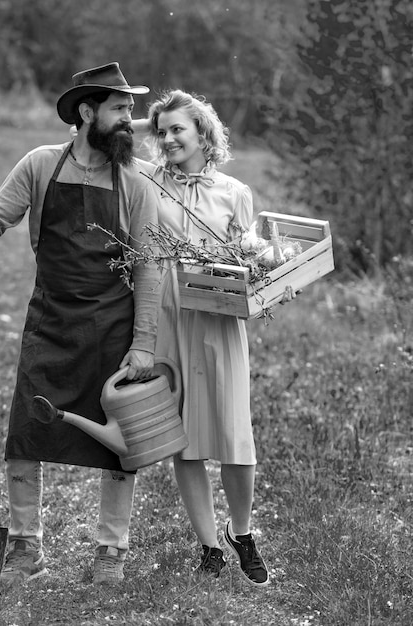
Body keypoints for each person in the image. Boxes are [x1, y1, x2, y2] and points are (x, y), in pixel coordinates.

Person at [0, 62, 160, 587]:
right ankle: (25, 545)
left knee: (121, 443)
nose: (129, 119)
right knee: (27, 432)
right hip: (51, 320)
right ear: (88, 112)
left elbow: (148, 266)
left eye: (130, 109)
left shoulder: (135, 184)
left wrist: (143, 343)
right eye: (119, 108)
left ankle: (111, 549)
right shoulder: (41, 165)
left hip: (113, 324)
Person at [143, 90, 271, 585]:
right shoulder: (148, 181)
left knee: (235, 437)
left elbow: (247, 250)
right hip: (171, 319)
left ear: (203, 133)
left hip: (219, 317)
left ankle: (242, 532)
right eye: (162, 131)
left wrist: (264, 259)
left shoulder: (233, 191)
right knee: (187, 439)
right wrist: (149, 121)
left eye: (179, 129)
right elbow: (104, 139)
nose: (169, 138)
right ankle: (209, 547)